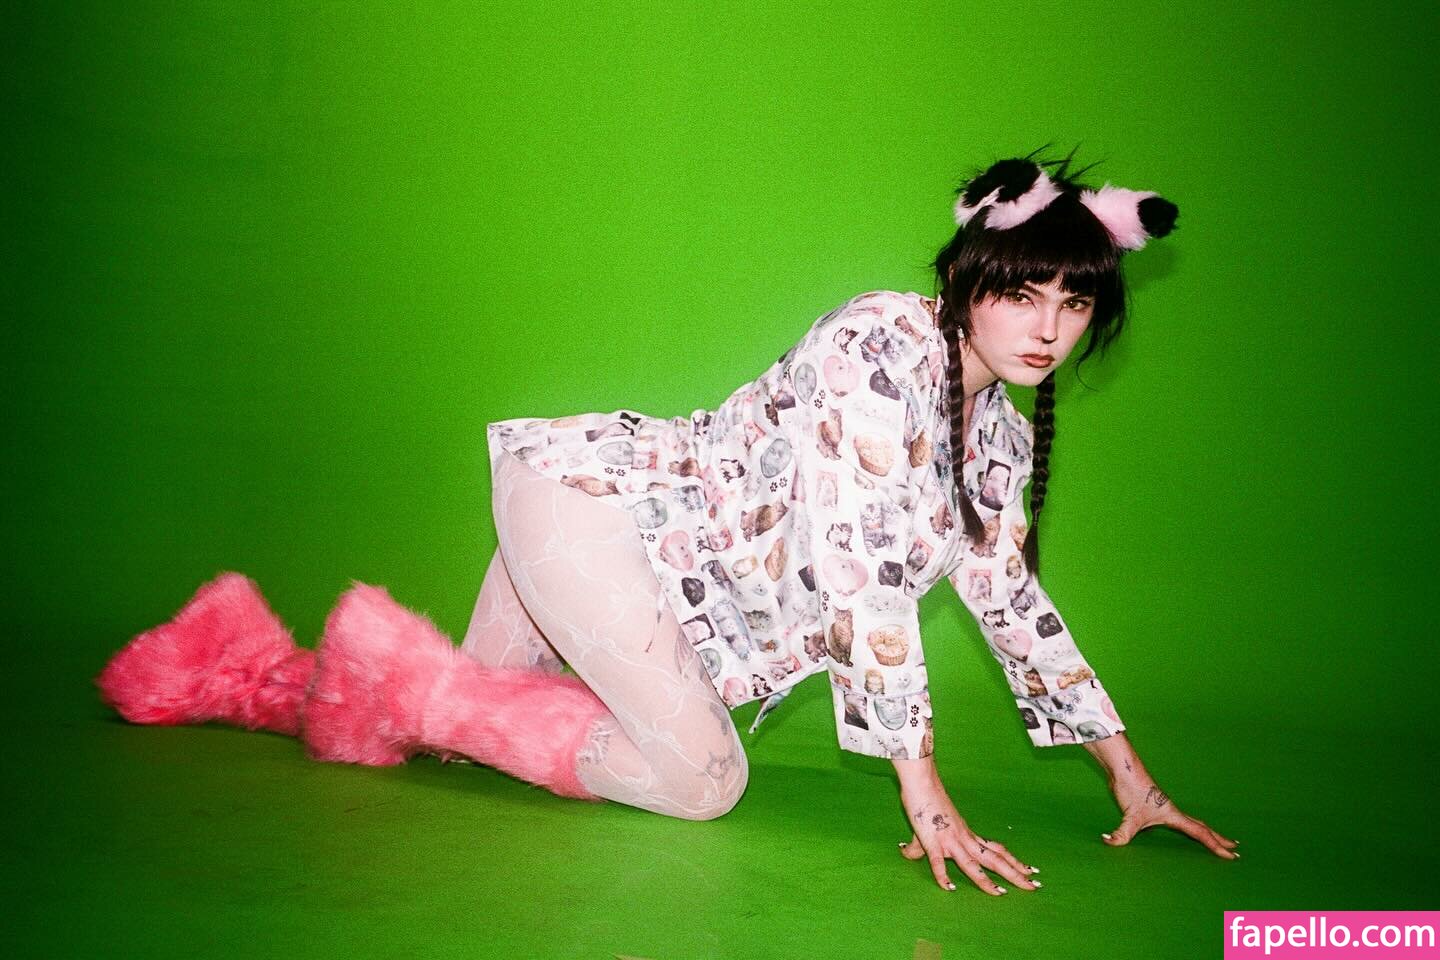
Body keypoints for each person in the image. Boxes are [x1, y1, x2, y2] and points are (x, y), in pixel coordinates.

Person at [95, 149, 1239, 897]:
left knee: (432, 725)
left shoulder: (995, 436)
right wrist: (923, 788)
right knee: (702, 781)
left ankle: (227, 671)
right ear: (968, 277)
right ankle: (386, 679)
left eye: (1074, 301)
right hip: (591, 515)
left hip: (636, 565)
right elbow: (862, 577)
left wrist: (1127, 775)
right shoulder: (880, 345)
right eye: (1022, 293)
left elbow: (1010, 599)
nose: (1047, 328)